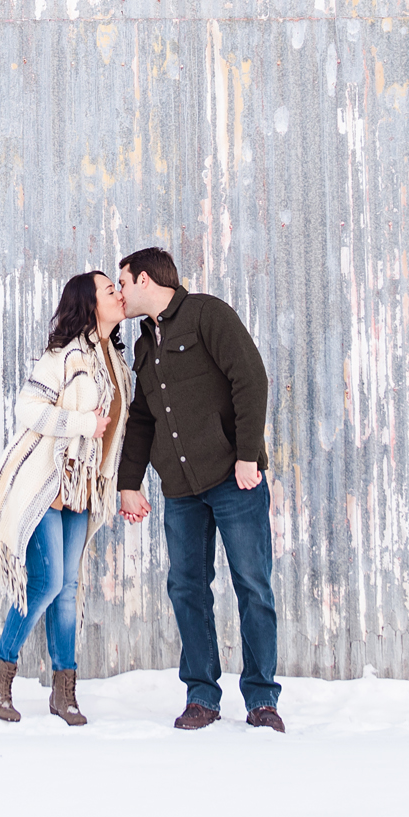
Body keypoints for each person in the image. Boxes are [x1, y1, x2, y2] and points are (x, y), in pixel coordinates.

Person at [114, 247, 284, 732]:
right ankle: (202, 697)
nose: (120, 293)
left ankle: (261, 699)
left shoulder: (208, 314)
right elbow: (143, 418)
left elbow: (250, 380)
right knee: (187, 588)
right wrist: (129, 484)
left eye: (123, 282)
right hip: (181, 490)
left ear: (144, 279)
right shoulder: (144, 345)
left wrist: (248, 456)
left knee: (252, 585)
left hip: (235, 479)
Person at [0, 270, 130, 724]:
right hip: (47, 486)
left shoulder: (113, 362)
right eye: (109, 290)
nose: (118, 295)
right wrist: (84, 425)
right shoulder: (63, 356)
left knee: (69, 590)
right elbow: (28, 409)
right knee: (47, 582)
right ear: (89, 303)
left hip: (82, 489)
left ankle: (65, 692)